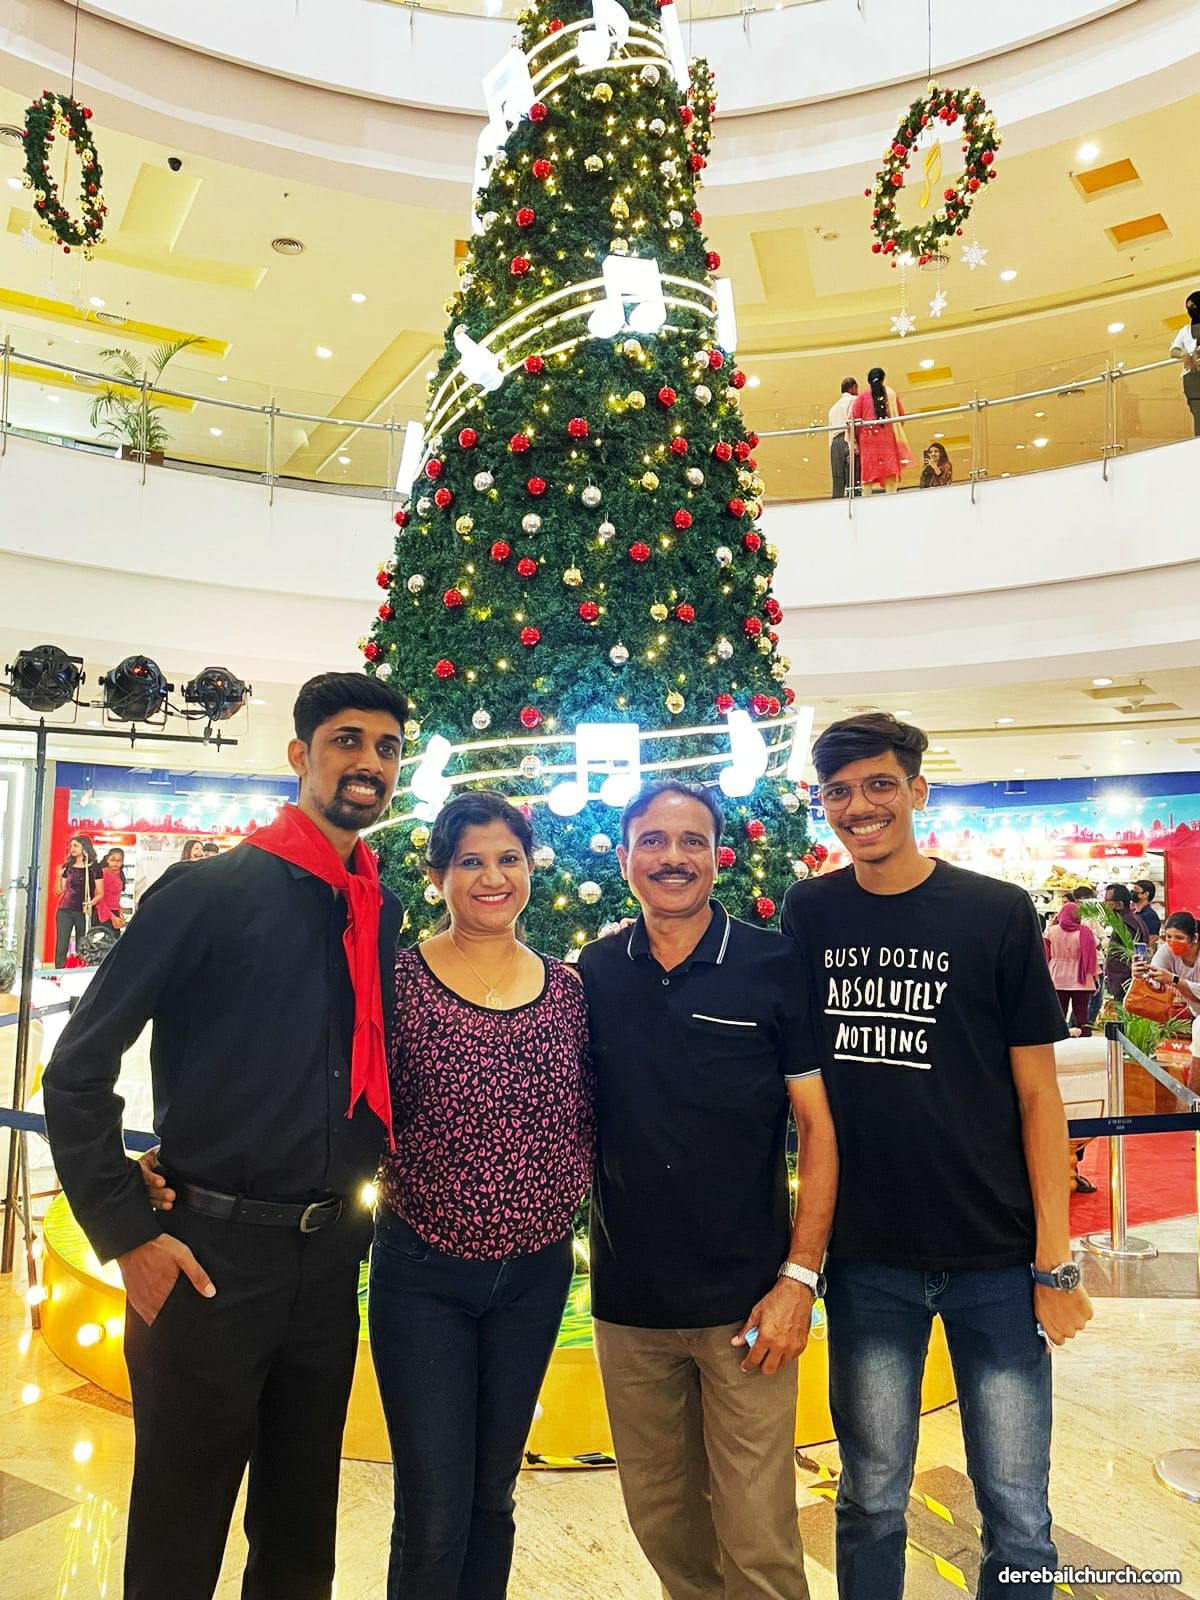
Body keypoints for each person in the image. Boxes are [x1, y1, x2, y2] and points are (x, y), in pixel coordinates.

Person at [42, 670, 410, 1600]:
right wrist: (126, 1231)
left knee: (300, 1530)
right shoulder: (207, 893)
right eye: (346, 741)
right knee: (181, 1525)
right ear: (299, 756)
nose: (368, 763)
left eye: (386, 748)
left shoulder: (378, 910)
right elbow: (77, 1069)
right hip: (208, 1259)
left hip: (328, 1259)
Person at [781, 713, 1092, 1600]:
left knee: (1018, 1512)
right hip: (868, 1256)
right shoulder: (810, 911)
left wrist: (1055, 1264)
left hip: (994, 1256)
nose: (860, 806)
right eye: (839, 791)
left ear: (917, 790)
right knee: (871, 1498)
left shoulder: (994, 912)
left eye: (880, 784)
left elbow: (1039, 1097)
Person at [577, 781, 838, 1600]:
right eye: (652, 841)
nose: (673, 857)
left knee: (759, 1542)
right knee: (664, 1527)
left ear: (718, 855)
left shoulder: (772, 962)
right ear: (625, 858)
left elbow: (819, 1129)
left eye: (691, 840)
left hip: (747, 1307)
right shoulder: (595, 971)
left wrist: (799, 1279)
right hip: (629, 1306)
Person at [370, 790, 592, 1599]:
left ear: (531, 868)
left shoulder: (569, 990)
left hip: (535, 1278)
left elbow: (592, 1113)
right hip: (423, 1273)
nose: (492, 877)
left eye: (508, 859)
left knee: (493, 1496)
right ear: (437, 876)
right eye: (470, 861)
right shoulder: (399, 981)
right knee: (434, 1510)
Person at [1139, 911, 1200, 1096]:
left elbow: (1172, 980)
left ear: (1194, 938)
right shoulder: (1166, 951)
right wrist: (1141, 976)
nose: (1172, 942)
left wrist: (1174, 980)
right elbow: (1154, 982)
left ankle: (1193, 1098)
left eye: (1179, 938)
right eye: (1168, 936)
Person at [848, 366, 910, 493]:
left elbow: (852, 420)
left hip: (868, 442)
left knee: (867, 476)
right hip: (887, 441)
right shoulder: (891, 396)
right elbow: (901, 418)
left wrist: (855, 441)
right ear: (883, 379)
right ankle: (891, 499)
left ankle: (867, 500)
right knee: (890, 473)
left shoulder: (862, 397)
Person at [1044, 900, 1098, 1034]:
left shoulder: (1052, 931)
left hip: (1057, 975)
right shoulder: (1085, 932)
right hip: (1081, 977)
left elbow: (1046, 953)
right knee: (1082, 1014)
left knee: (1059, 1013)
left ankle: (1059, 1037)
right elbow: (1092, 957)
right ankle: (1084, 1036)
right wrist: (1095, 977)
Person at [53, 833, 103, 967]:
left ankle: (80, 971)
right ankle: (58, 972)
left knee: (82, 946)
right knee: (61, 946)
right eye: (71, 846)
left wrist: (91, 903)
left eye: (76, 846)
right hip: (65, 910)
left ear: (84, 847)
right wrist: (58, 876)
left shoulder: (94, 868)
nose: (72, 849)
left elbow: (100, 892)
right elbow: (59, 891)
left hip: (83, 911)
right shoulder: (68, 867)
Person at [1102, 883, 1148, 1001]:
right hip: (1124, 982)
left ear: (1119, 904)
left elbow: (1130, 956)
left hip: (1125, 984)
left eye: (1107, 901)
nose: (1104, 906)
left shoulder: (1126, 925)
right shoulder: (1132, 919)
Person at [1168, 289, 1200, 437]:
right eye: (1189, 308)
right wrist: (1183, 354)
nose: (1191, 310)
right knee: (1197, 410)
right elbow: (1173, 350)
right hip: (1192, 376)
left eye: (1194, 306)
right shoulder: (1185, 331)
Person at [828, 376, 859, 499]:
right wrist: (854, 443)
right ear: (853, 388)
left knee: (838, 479)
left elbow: (830, 432)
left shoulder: (833, 408)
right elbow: (852, 422)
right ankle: (856, 499)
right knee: (853, 476)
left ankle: (837, 502)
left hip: (835, 442)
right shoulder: (855, 400)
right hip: (848, 437)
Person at [95, 847, 128, 932]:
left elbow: (116, 899)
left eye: (119, 860)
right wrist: (112, 917)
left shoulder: (119, 874)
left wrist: (121, 915)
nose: (116, 863)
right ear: (107, 859)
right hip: (102, 913)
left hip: (115, 913)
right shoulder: (102, 874)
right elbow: (99, 899)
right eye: (113, 860)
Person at [1130, 879, 1161, 943]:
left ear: (1146, 894)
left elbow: (1153, 937)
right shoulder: (1133, 912)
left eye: (1136, 890)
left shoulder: (1150, 915)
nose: (1133, 892)